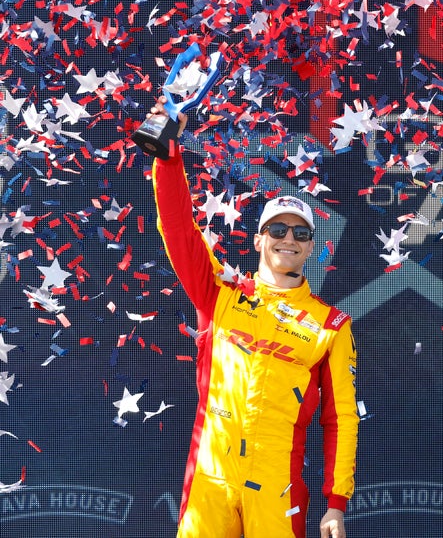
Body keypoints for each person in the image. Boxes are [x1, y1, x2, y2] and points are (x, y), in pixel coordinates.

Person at [147, 102, 359, 538]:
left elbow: (340, 418)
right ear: (260, 239)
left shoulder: (331, 325)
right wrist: (168, 160)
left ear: (311, 247)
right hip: (211, 479)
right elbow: (179, 230)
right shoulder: (220, 293)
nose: (288, 239)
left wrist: (336, 503)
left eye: (300, 233)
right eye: (277, 230)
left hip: (278, 486)